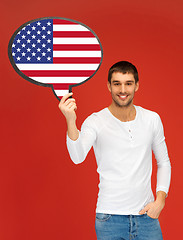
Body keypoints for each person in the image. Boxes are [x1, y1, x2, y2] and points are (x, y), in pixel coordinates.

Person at [58, 61, 171, 240]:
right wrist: (71, 121)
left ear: (137, 86)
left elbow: (163, 162)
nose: (123, 90)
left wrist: (160, 200)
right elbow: (77, 157)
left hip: (146, 217)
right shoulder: (95, 121)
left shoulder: (152, 119)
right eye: (117, 83)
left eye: (128, 83)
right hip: (109, 218)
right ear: (109, 86)